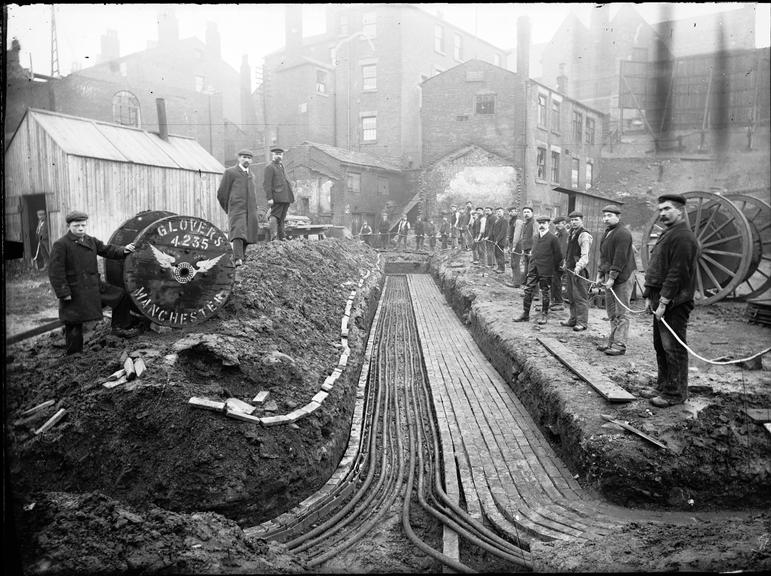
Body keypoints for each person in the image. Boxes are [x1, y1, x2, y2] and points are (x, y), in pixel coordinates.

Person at [48, 210, 138, 355]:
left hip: (95, 286)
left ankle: (119, 328)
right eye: (77, 226)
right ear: (68, 226)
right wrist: (63, 292)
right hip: (75, 290)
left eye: (83, 225)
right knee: (74, 322)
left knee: (121, 296)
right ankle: (74, 355)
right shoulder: (61, 244)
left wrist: (124, 250)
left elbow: (107, 250)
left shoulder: (90, 241)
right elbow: (55, 272)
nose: (81, 228)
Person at [642, 194, 699, 408]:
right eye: (660, 210)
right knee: (660, 345)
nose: (662, 213)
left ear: (680, 211)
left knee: (673, 347)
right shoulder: (669, 233)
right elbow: (657, 267)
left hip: (675, 302)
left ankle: (675, 394)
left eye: (667, 209)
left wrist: (664, 302)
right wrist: (649, 295)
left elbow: (677, 273)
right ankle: (663, 386)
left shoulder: (684, 237)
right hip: (660, 298)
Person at [597, 205, 637, 356]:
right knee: (611, 311)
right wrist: (601, 274)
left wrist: (612, 277)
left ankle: (620, 345)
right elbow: (604, 256)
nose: (606, 218)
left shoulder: (623, 234)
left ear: (618, 217)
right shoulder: (607, 233)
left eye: (609, 215)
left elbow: (619, 258)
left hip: (623, 276)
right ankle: (612, 341)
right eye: (604, 215)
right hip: (610, 275)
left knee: (622, 312)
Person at [514, 215, 562, 325]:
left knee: (545, 292)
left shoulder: (553, 238)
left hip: (546, 270)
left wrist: (551, 268)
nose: (541, 225)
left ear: (548, 224)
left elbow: (558, 256)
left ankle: (544, 315)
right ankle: (525, 314)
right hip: (533, 268)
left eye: (544, 223)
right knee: (528, 290)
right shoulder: (535, 237)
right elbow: (533, 252)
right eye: (540, 223)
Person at [217, 148, 260, 266]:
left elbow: (254, 194)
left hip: (250, 210)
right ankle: (237, 259)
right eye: (244, 157)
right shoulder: (230, 172)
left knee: (249, 233)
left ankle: (243, 258)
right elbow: (221, 193)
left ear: (251, 161)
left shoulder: (252, 175)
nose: (246, 160)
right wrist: (229, 208)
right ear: (238, 158)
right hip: (237, 209)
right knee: (238, 232)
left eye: (249, 158)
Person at [561, 211, 593, 332]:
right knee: (571, 295)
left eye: (576, 220)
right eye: (572, 220)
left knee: (580, 297)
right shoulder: (571, 233)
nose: (574, 222)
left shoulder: (584, 235)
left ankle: (582, 322)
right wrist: (565, 263)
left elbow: (585, 255)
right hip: (570, 269)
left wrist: (578, 267)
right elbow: (569, 252)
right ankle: (573, 319)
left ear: (582, 220)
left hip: (579, 270)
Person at [263, 146, 296, 241]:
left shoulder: (281, 166)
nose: (278, 156)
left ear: (282, 155)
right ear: (272, 155)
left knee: (282, 217)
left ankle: (282, 237)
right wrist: (269, 198)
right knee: (274, 215)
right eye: (276, 154)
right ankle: (273, 238)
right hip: (277, 196)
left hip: (286, 196)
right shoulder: (269, 167)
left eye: (280, 154)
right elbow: (267, 184)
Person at [511, 206, 535, 288]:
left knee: (532, 270)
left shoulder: (533, 223)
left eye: (528, 212)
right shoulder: (526, 223)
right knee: (527, 269)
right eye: (524, 212)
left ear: (532, 213)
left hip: (532, 250)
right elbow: (523, 237)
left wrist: (533, 249)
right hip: (526, 249)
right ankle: (528, 288)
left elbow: (535, 237)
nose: (526, 214)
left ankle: (534, 293)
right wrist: (522, 248)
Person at [550, 216, 569, 311]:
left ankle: (559, 302)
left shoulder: (565, 234)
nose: (558, 225)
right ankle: (555, 301)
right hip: (555, 260)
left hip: (560, 261)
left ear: (564, 223)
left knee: (557, 281)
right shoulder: (558, 234)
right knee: (554, 280)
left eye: (560, 223)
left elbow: (563, 249)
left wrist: (563, 261)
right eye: (556, 224)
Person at [490, 207, 509, 274]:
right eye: (497, 212)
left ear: (503, 212)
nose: (498, 213)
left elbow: (503, 232)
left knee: (500, 254)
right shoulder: (497, 220)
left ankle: (502, 269)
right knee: (496, 254)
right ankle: (499, 267)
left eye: (500, 211)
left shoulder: (504, 220)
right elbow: (494, 231)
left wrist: (497, 240)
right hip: (495, 241)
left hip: (500, 241)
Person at [506, 206, 521, 287]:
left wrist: (514, 246)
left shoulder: (518, 221)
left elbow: (517, 235)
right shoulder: (511, 221)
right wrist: (509, 245)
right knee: (513, 263)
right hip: (512, 244)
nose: (512, 212)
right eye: (510, 211)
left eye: (514, 211)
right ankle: (515, 280)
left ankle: (517, 283)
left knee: (515, 263)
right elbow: (510, 234)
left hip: (517, 244)